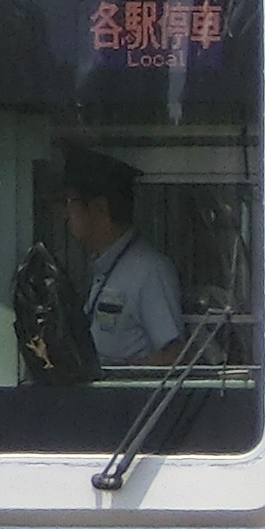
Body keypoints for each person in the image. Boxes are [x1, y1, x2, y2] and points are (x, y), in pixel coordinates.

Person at [62, 147, 184, 367]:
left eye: (70, 202)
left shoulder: (149, 270)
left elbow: (171, 355)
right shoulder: (98, 267)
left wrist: (122, 376)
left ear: (100, 207)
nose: (65, 214)